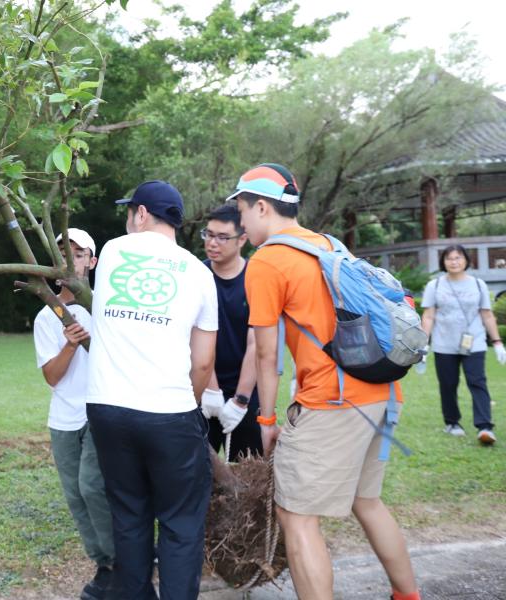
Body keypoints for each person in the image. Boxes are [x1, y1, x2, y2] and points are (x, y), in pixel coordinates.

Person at [232, 163, 420, 600]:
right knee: (366, 501)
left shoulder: (268, 262)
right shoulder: (328, 245)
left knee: (296, 517)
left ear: (262, 206)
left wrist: (265, 418)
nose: (241, 222)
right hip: (384, 391)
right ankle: (408, 594)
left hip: (332, 403)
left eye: (242, 211)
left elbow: (265, 352)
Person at [86, 180, 217, 600]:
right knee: (180, 523)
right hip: (169, 411)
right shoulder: (199, 273)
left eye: (130, 212)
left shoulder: (111, 252)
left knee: (129, 515)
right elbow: (202, 362)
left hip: (107, 409)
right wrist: (188, 403)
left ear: (141, 214)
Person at [33, 228, 114, 600]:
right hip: (63, 418)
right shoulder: (48, 314)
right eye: (64, 253)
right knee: (75, 495)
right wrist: (70, 343)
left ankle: (120, 561)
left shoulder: (106, 307)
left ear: (92, 261)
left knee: (93, 486)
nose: (72, 260)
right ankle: (102, 562)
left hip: (101, 412)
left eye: (79, 254)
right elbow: (52, 377)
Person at [420, 244, 502, 445]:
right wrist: (423, 344)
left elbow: (487, 314)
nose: (454, 262)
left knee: (477, 382)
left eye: (458, 258)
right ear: (443, 262)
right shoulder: (435, 285)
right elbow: (429, 316)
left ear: (466, 260)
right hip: (444, 343)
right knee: (448, 384)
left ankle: (484, 427)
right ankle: (452, 423)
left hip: (474, 342)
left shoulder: (478, 284)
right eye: (449, 258)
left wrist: (498, 342)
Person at [199, 205, 262, 461]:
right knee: (201, 473)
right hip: (203, 388)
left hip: (246, 391)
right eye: (209, 234)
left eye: (223, 237)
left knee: (248, 476)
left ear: (242, 239)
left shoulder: (256, 278)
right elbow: (197, 337)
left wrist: (240, 400)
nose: (213, 243)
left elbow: (257, 343)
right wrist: (211, 390)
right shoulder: (197, 275)